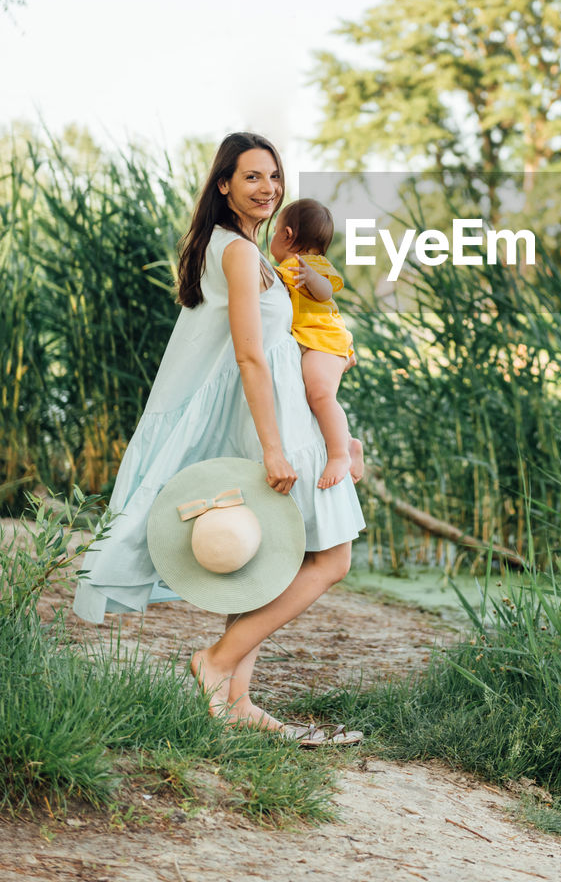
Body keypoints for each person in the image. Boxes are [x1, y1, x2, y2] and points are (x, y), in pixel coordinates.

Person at [73, 133, 365, 737]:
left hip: (283, 415)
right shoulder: (235, 253)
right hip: (278, 424)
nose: (269, 188)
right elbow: (249, 357)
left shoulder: (244, 251)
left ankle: (235, 699)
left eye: (275, 177)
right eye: (253, 177)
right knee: (331, 558)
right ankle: (216, 662)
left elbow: (283, 342)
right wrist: (276, 447)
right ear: (225, 184)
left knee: (273, 555)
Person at [270, 198, 364, 491]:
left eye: (273, 231)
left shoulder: (311, 265)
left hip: (324, 342)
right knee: (310, 400)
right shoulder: (284, 267)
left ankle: (340, 454)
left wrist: (311, 277)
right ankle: (346, 442)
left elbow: (325, 293)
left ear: (286, 234)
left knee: (321, 395)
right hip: (310, 343)